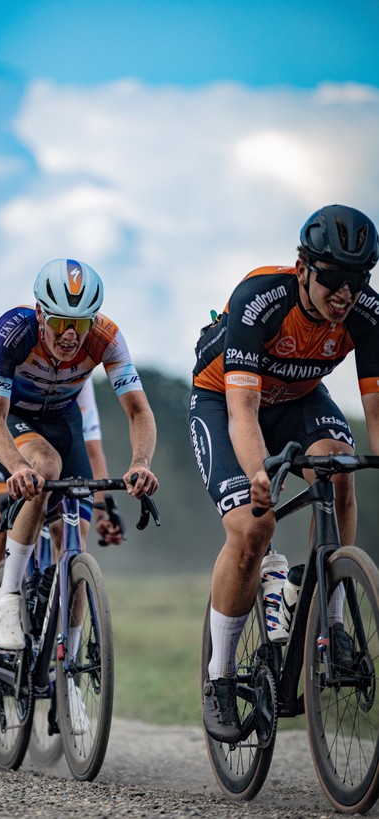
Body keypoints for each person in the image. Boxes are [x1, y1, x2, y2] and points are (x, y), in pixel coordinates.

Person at [189, 204, 379, 742]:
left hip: (297, 397)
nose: (346, 292)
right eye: (334, 277)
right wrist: (258, 473)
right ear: (303, 269)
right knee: (254, 527)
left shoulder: (367, 313)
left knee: (340, 470)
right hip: (225, 400)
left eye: (359, 278)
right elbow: (242, 411)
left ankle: (331, 621)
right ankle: (220, 677)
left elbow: (376, 412)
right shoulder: (261, 298)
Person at [0, 258, 158, 665]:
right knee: (45, 467)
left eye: (81, 323)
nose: (70, 335)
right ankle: (7, 597)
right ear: (40, 314)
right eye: (59, 323)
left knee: (76, 535)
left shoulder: (106, 338)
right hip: (9, 419)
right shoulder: (12, 332)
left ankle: (67, 664)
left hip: (60, 421)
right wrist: (17, 467)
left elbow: (138, 411)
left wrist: (141, 462)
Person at [0, 362, 123, 676]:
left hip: (49, 436)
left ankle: (62, 660)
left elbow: (92, 450)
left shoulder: (80, 380)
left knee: (65, 518)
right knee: (1, 527)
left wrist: (102, 509)